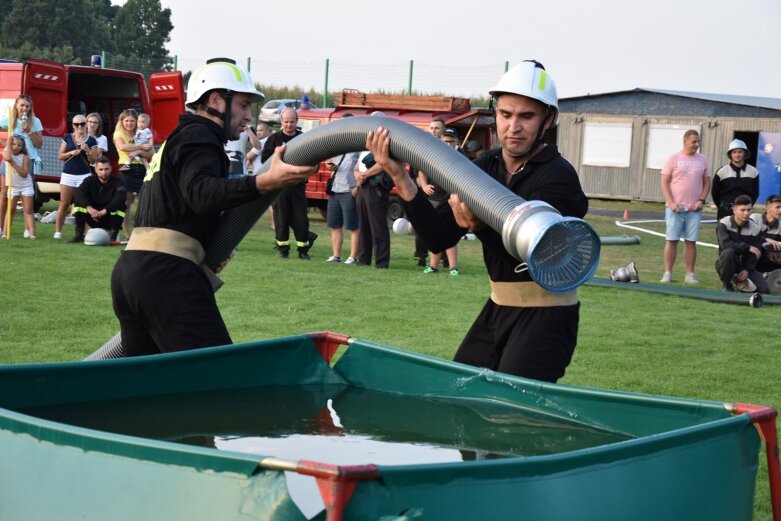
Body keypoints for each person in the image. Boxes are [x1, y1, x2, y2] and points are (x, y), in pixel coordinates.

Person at [366, 60, 588, 382]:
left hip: (546, 316)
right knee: (461, 392)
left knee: (513, 413)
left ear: (548, 119)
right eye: (506, 114)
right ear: (495, 113)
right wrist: (399, 175)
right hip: (499, 307)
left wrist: (481, 227)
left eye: (527, 116)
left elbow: (539, 253)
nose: (514, 126)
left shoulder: (557, 177)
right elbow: (439, 237)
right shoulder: (486, 166)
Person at [111, 58, 315, 356]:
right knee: (219, 376)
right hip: (166, 276)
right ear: (217, 100)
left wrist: (205, 247)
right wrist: (264, 182)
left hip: (132, 271)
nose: (249, 115)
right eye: (244, 104)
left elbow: (179, 207)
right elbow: (201, 193)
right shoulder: (200, 135)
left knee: (143, 386)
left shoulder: (179, 139)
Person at [261, 108, 317, 259]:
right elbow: (264, 160)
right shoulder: (274, 139)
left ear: (297, 122)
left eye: (292, 122)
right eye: (286, 122)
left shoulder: (304, 138)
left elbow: (313, 159)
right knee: (281, 219)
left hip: (298, 185)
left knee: (300, 219)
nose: (289, 125)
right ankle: (283, 250)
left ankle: (303, 251)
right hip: (279, 186)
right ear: (281, 122)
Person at [659, 129, 710, 284]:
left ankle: (690, 274)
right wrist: (671, 202)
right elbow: (664, 182)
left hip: (694, 210)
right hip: (675, 208)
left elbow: (707, 183)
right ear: (685, 141)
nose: (697, 144)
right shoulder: (673, 159)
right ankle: (667, 273)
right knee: (672, 240)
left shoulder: (702, 160)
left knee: (691, 241)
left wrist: (701, 200)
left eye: (698, 141)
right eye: (694, 141)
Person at [418, 127, 461, 275]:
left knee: (450, 234)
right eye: (446, 141)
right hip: (434, 199)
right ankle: (433, 266)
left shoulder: (461, 158)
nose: (448, 144)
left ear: (457, 142)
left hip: (451, 200)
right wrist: (423, 185)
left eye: (451, 141)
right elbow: (421, 171)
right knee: (433, 234)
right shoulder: (434, 155)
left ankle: (453, 268)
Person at [0, 95, 43, 238]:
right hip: (9, 161)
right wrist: (4, 144)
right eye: (22, 105)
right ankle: (1, 227)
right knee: (5, 195)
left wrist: (29, 131)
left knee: (26, 197)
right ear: (16, 106)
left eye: (27, 106)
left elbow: (39, 144)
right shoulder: (10, 121)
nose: (24, 108)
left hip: (27, 160)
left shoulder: (35, 122)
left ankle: (28, 229)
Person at [355, 112, 393, 269]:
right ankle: (363, 259)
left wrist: (365, 175)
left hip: (375, 186)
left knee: (378, 225)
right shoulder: (367, 142)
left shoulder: (386, 142)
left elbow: (384, 163)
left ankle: (381, 262)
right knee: (363, 225)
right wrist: (357, 176)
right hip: (363, 186)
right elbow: (357, 165)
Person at [54, 114, 101, 240]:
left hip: (84, 175)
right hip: (68, 174)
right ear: (73, 125)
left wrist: (88, 151)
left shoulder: (91, 140)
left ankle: (85, 231)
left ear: (86, 124)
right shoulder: (68, 137)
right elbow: (60, 156)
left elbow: (94, 161)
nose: (79, 126)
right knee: (64, 204)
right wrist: (71, 153)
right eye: (76, 124)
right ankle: (58, 232)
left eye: (82, 124)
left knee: (84, 205)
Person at [114, 108, 154, 240]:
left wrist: (138, 151)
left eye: (132, 121)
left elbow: (151, 153)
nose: (129, 123)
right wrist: (142, 147)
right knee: (127, 202)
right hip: (126, 169)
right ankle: (127, 233)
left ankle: (143, 231)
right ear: (122, 121)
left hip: (141, 169)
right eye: (126, 121)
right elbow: (123, 147)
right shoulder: (119, 133)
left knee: (145, 201)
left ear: (137, 121)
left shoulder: (142, 132)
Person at [715, 195, 769, 293]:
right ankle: (726, 284)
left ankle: (737, 283)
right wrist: (747, 247)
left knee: (764, 289)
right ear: (734, 210)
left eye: (749, 210)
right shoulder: (723, 224)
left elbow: (755, 253)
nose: (746, 213)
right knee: (729, 252)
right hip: (726, 263)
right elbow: (726, 245)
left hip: (745, 266)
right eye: (742, 210)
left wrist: (747, 270)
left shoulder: (756, 229)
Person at [70, 155, 126, 243]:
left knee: (121, 205)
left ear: (111, 169)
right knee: (78, 203)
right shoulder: (89, 180)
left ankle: (114, 235)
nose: (104, 172)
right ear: (96, 170)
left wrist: (104, 211)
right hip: (92, 216)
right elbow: (78, 193)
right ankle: (79, 235)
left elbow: (121, 197)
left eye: (106, 169)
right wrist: (89, 208)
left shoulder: (118, 181)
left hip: (108, 217)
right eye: (101, 169)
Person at [324, 144, 361, 264]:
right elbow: (328, 163)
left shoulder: (358, 149)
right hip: (334, 191)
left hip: (349, 190)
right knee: (335, 225)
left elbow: (362, 169)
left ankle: (353, 257)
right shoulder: (336, 148)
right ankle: (336, 256)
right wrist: (329, 165)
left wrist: (357, 187)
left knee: (353, 226)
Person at [711, 139, 759, 220]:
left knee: (745, 232)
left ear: (745, 153)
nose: (737, 155)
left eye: (740, 152)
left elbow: (755, 193)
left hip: (745, 212)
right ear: (730, 154)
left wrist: (745, 207)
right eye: (734, 152)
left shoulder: (753, 171)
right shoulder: (721, 172)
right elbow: (715, 193)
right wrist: (723, 206)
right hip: (725, 211)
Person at [1, 134, 35, 239]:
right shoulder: (8, 154)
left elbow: (24, 174)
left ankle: (32, 234)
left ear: (23, 147)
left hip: (26, 185)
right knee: (11, 210)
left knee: (28, 209)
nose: (16, 147)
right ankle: (5, 233)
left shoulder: (25, 158)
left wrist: (13, 163)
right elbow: (6, 157)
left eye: (19, 145)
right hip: (13, 186)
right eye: (14, 144)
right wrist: (9, 140)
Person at [750, 194, 781, 274]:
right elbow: (748, 238)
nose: (780, 210)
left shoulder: (780, 226)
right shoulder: (754, 218)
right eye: (777, 207)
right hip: (751, 257)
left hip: (769, 260)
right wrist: (765, 239)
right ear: (767, 208)